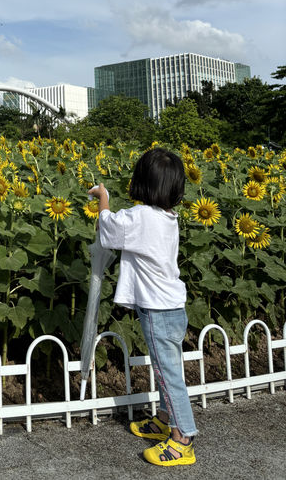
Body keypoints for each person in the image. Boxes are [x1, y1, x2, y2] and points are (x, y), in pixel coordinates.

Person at [88, 147, 197, 467]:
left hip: (158, 311)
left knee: (168, 375)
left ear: (141, 183)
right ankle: (165, 419)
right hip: (173, 307)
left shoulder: (141, 217)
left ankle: (183, 439)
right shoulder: (167, 217)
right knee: (169, 369)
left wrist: (103, 197)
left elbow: (108, 230)